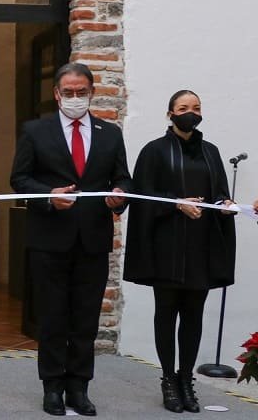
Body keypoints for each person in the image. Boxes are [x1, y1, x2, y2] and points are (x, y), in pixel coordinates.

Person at [10, 62, 132, 417]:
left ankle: (79, 387)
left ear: (92, 93)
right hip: (49, 239)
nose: (75, 98)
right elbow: (20, 180)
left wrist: (121, 193)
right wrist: (49, 194)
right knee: (52, 317)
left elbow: (123, 177)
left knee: (85, 318)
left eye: (82, 92)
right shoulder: (35, 131)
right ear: (56, 94)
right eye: (69, 93)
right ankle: (51, 387)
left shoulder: (109, 133)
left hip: (93, 239)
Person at [123, 90, 236, 413]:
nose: (191, 112)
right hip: (167, 246)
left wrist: (225, 205)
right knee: (166, 311)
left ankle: (187, 380)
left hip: (201, 246)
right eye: (184, 108)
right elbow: (144, 195)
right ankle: (168, 381)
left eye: (197, 107)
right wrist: (177, 203)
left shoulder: (211, 152)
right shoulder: (155, 151)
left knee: (193, 315)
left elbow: (219, 193)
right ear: (169, 114)